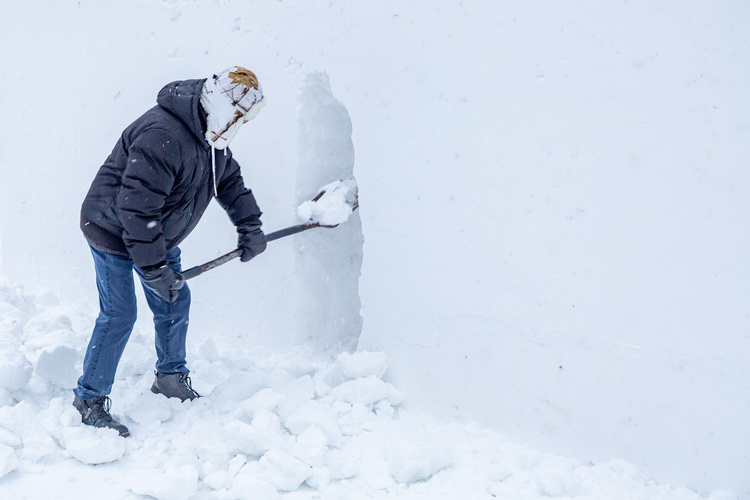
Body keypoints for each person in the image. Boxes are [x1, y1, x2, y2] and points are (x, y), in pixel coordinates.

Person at [73, 66, 269, 437]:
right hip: (112, 228)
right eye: (237, 114)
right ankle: (89, 398)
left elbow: (229, 182)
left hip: (154, 235)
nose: (239, 123)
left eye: (246, 117)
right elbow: (136, 208)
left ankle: (170, 377)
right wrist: (154, 269)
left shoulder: (213, 139)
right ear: (217, 103)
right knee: (119, 314)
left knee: (174, 301)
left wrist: (250, 227)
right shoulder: (164, 134)